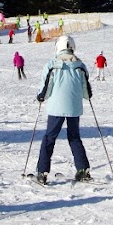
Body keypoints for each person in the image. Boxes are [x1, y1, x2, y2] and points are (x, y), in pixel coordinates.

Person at [33, 35, 93, 184]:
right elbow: (86, 89)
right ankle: (83, 169)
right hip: (74, 107)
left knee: (49, 138)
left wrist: (41, 97)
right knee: (74, 137)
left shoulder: (52, 64)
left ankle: (42, 172)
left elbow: (46, 85)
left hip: (56, 108)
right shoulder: (80, 65)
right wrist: (87, 96)